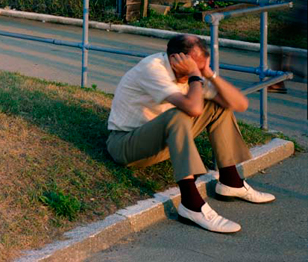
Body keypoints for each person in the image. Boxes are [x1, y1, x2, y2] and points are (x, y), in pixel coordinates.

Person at [107, 34, 274, 234]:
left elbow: (240, 104)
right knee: (178, 114)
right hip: (126, 145)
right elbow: (193, 109)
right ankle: (190, 204)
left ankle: (231, 182)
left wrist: (208, 73)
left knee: (219, 105)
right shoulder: (153, 68)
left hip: (160, 143)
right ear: (175, 60)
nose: (197, 73)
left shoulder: (194, 73)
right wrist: (195, 74)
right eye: (194, 66)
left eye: (200, 67)